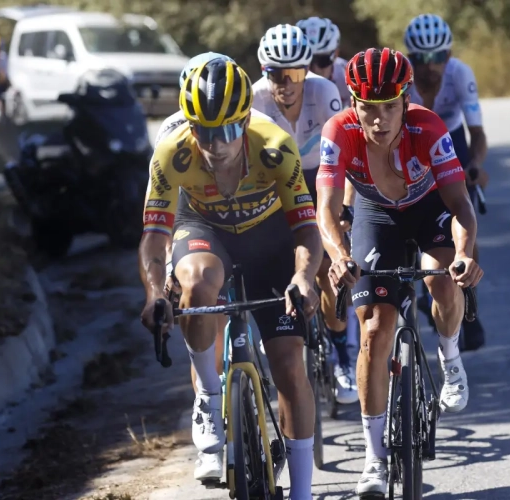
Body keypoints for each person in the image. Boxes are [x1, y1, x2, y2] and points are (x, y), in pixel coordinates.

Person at [139, 58, 321, 499]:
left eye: (226, 131)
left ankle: (301, 492)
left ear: (245, 119)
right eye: (203, 130)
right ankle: (206, 397)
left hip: (271, 239)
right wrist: (152, 293)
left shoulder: (275, 144)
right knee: (196, 286)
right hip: (205, 231)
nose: (215, 144)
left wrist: (303, 276)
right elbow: (153, 235)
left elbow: (305, 229)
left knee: (289, 369)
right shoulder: (171, 151)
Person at [316, 47, 483, 497]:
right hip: (375, 215)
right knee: (374, 327)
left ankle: (450, 357)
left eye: (389, 107)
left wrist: (464, 254)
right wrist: (337, 254)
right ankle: (373, 459)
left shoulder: (428, 127)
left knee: (440, 279)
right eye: (368, 108)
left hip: (428, 208)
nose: (379, 119)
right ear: (353, 103)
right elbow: (327, 211)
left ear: (405, 100)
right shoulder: (338, 132)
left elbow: (461, 206)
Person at [148, 51, 279, 482]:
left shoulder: (257, 128)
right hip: (197, 216)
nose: (214, 138)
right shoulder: (172, 136)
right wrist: (166, 279)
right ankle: (207, 402)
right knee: (197, 301)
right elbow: (159, 224)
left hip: (253, 218)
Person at [253, 23, 359, 406]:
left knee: (329, 267)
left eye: (295, 73)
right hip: (277, 182)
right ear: (265, 73)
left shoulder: (325, 91)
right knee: (280, 258)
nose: (285, 83)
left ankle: (342, 356)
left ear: (306, 71)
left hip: (320, 177)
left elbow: (344, 156)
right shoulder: (255, 100)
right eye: (275, 75)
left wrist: (343, 207)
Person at [403, 13, 488, 350]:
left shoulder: (460, 74)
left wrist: (477, 166)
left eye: (438, 56)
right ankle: (424, 286)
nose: (430, 66)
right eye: (421, 58)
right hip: (410, 144)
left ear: (448, 56)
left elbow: (477, 134)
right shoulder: (403, 80)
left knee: (465, 216)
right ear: (410, 58)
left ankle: (470, 301)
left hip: (451, 140)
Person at [296, 17, 350, 107]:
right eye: (307, 61)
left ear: (336, 54)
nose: (315, 69)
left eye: (322, 61)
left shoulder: (347, 75)